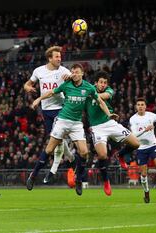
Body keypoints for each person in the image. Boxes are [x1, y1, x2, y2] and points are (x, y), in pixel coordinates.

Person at [31, 64, 115, 195]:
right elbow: (51, 92)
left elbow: (100, 101)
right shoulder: (66, 84)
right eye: (72, 72)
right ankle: (33, 175)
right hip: (63, 121)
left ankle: (79, 180)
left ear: (82, 74)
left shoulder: (88, 87)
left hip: (76, 123)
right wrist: (39, 99)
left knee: (84, 153)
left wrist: (109, 115)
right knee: (49, 149)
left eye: (76, 72)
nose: (74, 74)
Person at [24, 46, 74, 189]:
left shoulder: (64, 71)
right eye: (57, 57)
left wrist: (70, 77)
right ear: (50, 58)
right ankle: (70, 158)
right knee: (56, 142)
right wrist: (28, 87)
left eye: (60, 57)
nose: (59, 59)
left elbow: (76, 78)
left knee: (56, 141)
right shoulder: (39, 71)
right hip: (46, 111)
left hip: (61, 109)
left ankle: (38, 174)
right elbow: (27, 84)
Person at [85, 71, 140, 196]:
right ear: (96, 82)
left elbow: (104, 96)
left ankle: (120, 155)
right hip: (97, 127)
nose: (103, 84)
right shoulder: (89, 89)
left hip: (110, 122)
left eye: (105, 82)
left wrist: (91, 94)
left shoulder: (109, 90)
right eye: (101, 82)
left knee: (136, 143)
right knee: (103, 155)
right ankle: (106, 181)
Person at [129, 97, 156, 203]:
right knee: (143, 174)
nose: (141, 106)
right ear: (136, 107)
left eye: (142, 104)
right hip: (141, 147)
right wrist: (145, 130)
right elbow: (133, 135)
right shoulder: (133, 119)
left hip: (153, 145)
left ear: (145, 106)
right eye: (139, 105)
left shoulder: (152, 115)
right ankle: (146, 193)